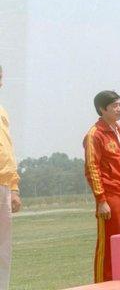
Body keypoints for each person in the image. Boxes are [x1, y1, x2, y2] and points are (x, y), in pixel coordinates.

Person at [83, 91, 120, 282]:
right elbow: (92, 168)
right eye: (114, 106)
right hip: (111, 197)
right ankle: (103, 284)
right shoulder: (95, 134)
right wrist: (101, 200)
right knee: (107, 246)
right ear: (102, 109)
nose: (119, 109)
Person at [0, 65, 21, 290]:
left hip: (4, 184)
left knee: (3, 249)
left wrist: (14, 187)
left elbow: (9, 150)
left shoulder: (2, 112)